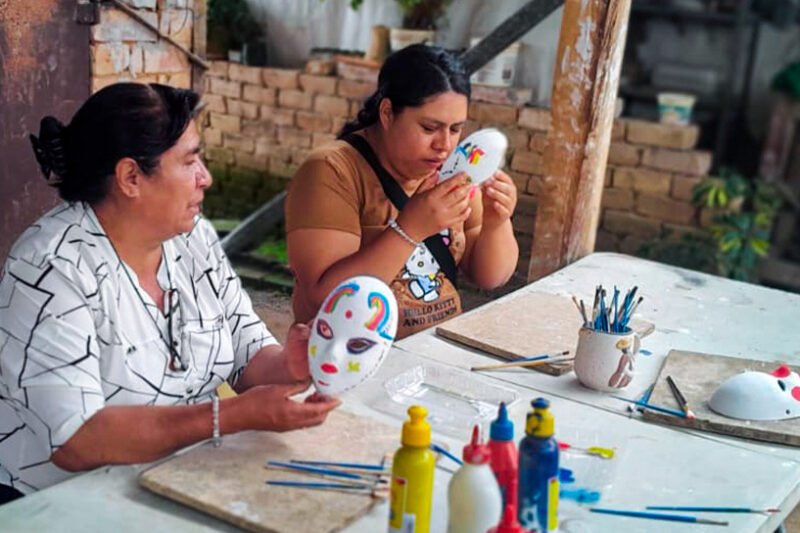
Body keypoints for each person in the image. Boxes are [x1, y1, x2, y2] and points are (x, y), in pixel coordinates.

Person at [0, 83, 340, 502]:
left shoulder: (190, 236)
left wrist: (289, 364)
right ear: (130, 177)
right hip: (58, 503)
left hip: (174, 475)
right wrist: (227, 416)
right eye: (190, 161)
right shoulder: (50, 268)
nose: (206, 178)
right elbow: (76, 439)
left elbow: (245, 350)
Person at [286, 44, 519, 339]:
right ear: (387, 113)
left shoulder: (454, 170)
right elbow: (325, 295)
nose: (444, 145)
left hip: (429, 358)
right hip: (347, 363)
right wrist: (410, 229)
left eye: (455, 129)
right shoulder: (332, 170)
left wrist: (497, 222)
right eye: (429, 127)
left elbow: (490, 277)